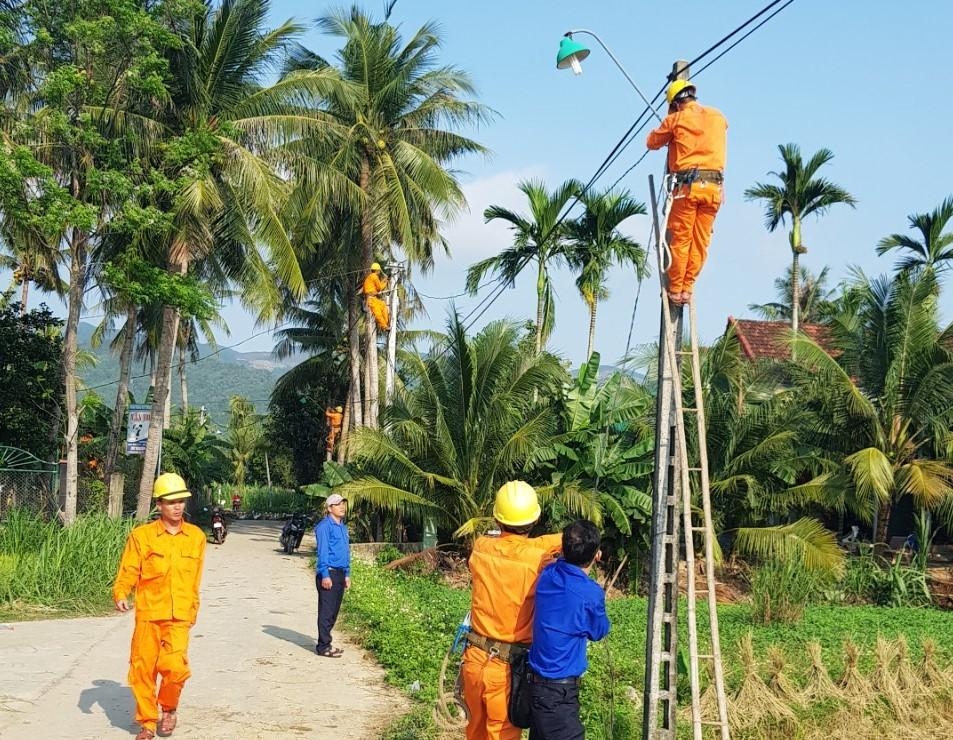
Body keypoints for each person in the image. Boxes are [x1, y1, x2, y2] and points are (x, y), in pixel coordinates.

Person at [462, 481, 562, 740]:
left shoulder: (481, 547)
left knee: (475, 731)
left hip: (474, 660)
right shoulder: (536, 557)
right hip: (506, 668)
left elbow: (531, 544)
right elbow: (548, 543)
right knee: (502, 733)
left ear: (497, 518)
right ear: (535, 518)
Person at [113, 473, 207, 740]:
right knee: (142, 669)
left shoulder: (196, 537)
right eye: (171, 502)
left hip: (179, 616)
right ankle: (147, 723)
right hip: (149, 614)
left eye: (181, 501)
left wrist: (193, 609)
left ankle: (169, 706)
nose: (177, 507)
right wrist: (121, 591)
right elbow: (130, 568)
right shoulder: (142, 536)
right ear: (159, 505)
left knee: (176, 667)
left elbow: (195, 578)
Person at [646, 79, 728, 306]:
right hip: (714, 189)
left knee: (681, 240)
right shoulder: (717, 116)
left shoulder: (676, 119)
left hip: (687, 189)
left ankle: (675, 290)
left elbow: (651, 142)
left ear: (675, 103)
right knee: (700, 242)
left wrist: (670, 116)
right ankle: (687, 288)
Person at [528, 520, 610, 740]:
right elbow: (599, 631)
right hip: (558, 695)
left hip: (537, 689)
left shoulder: (547, 574)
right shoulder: (590, 593)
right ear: (597, 555)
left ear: (562, 549)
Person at [314, 492, 351, 657]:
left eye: (343, 503)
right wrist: (325, 574)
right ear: (330, 508)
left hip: (341, 573)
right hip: (329, 573)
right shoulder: (324, 527)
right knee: (326, 611)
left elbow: (345, 552)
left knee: (334, 611)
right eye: (338, 504)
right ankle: (323, 646)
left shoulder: (343, 526)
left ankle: (327, 642)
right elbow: (322, 553)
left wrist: (347, 574)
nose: (342, 507)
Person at [362, 262, 390, 331]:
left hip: (374, 298)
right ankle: (385, 326)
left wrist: (385, 281)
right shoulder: (374, 277)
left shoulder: (371, 277)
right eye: (379, 271)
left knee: (383, 305)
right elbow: (379, 288)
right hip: (371, 299)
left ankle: (386, 325)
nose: (380, 272)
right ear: (377, 270)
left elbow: (378, 287)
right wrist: (385, 281)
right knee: (378, 314)